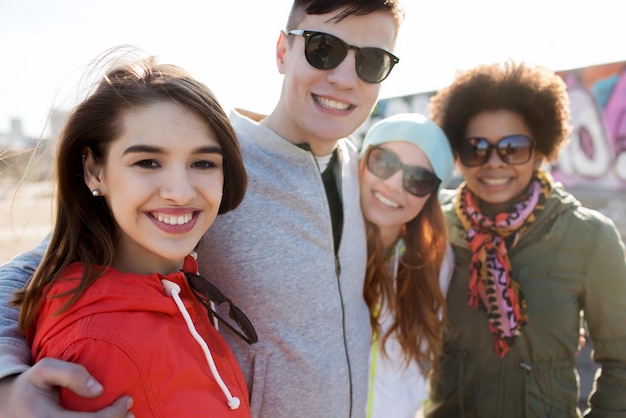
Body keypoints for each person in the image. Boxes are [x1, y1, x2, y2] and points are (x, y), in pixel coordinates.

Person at [0, 1, 406, 417]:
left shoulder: (358, 168)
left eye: (372, 61)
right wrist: (7, 383)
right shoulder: (208, 166)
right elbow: (35, 270)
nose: (343, 79)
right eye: (324, 48)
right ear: (283, 51)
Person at [5, 52, 253, 417]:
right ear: (94, 171)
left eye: (203, 163)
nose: (181, 192)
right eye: (147, 162)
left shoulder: (180, 288)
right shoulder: (97, 344)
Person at [424, 60, 626, 417]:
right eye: (476, 147)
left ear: (540, 149)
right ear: (458, 153)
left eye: (513, 147)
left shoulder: (590, 237)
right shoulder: (431, 225)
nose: (495, 162)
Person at [358, 113, 454, 418]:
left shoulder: (436, 262)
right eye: (383, 163)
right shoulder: (322, 243)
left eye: (418, 179)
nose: (394, 185)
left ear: (431, 195)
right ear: (361, 161)